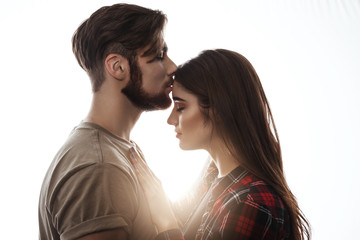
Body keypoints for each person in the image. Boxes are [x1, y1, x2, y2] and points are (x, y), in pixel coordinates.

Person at [130, 49, 311, 239]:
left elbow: (170, 222)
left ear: (218, 109)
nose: (170, 119)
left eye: (181, 107)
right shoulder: (213, 176)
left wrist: (166, 221)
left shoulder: (251, 202)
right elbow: (180, 223)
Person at [38, 3, 177, 240]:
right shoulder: (99, 168)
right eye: (159, 56)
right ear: (118, 66)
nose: (173, 67)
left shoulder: (118, 150)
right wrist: (169, 228)